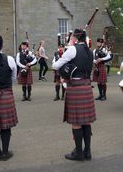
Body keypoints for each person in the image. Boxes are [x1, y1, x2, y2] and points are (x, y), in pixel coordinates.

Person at [52, 29, 95, 161]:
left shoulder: (72, 50)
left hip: (76, 88)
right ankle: (87, 152)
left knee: (76, 122)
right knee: (86, 122)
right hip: (87, 87)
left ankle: (78, 154)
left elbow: (55, 66)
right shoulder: (90, 52)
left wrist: (61, 59)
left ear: (75, 38)